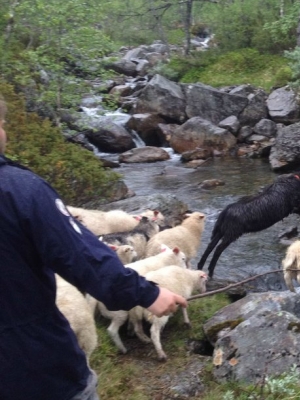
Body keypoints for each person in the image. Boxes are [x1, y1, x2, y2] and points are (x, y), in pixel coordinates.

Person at [0, 97, 189, 400]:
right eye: (2, 123)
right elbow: (82, 256)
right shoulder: (21, 190)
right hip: (34, 368)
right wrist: (148, 294)